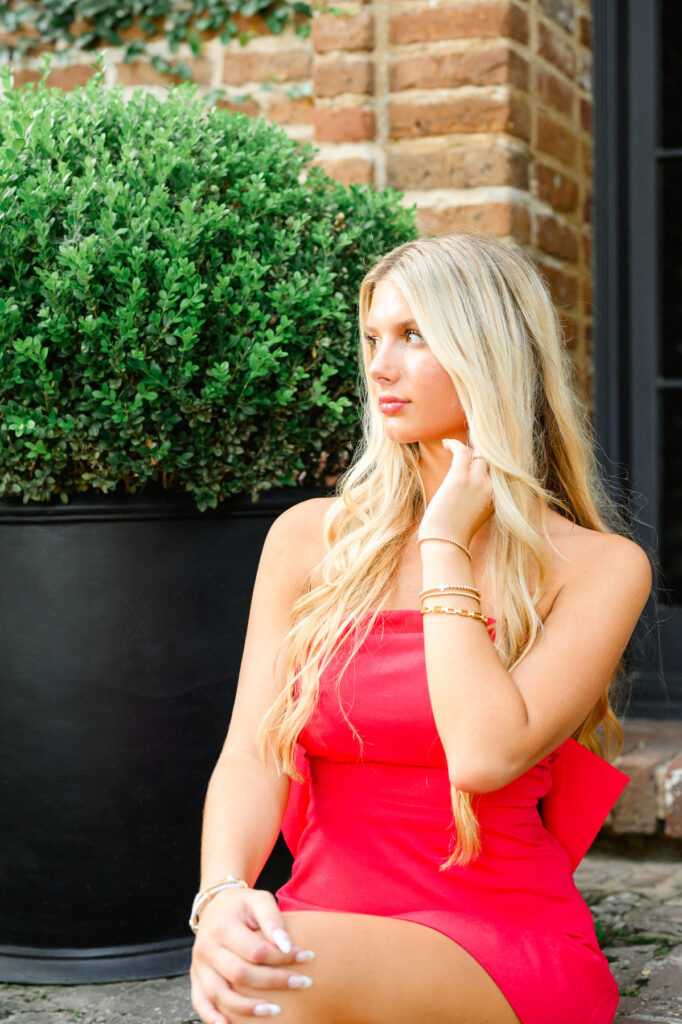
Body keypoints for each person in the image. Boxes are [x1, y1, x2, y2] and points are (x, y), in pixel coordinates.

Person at [189, 233, 652, 1024]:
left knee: (272, 978)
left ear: (489, 352)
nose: (378, 368)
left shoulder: (599, 566)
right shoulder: (310, 538)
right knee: (258, 960)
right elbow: (250, 753)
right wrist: (223, 893)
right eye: (372, 338)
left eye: (413, 336)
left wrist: (445, 547)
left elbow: (482, 755)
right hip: (322, 922)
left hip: (497, 940)